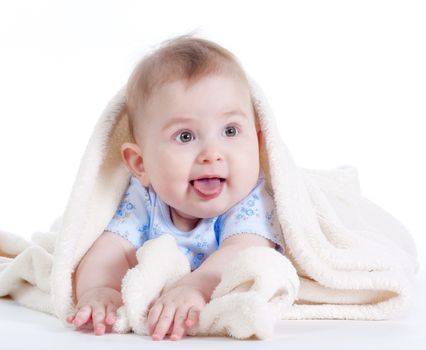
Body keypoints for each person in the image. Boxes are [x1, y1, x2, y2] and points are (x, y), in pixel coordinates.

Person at [66, 35, 285, 341]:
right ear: (141, 165)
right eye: (185, 136)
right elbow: (110, 248)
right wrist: (101, 289)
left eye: (231, 131)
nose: (212, 153)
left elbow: (245, 253)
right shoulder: (144, 197)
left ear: (258, 143)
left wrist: (196, 286)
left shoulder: (249, 198)